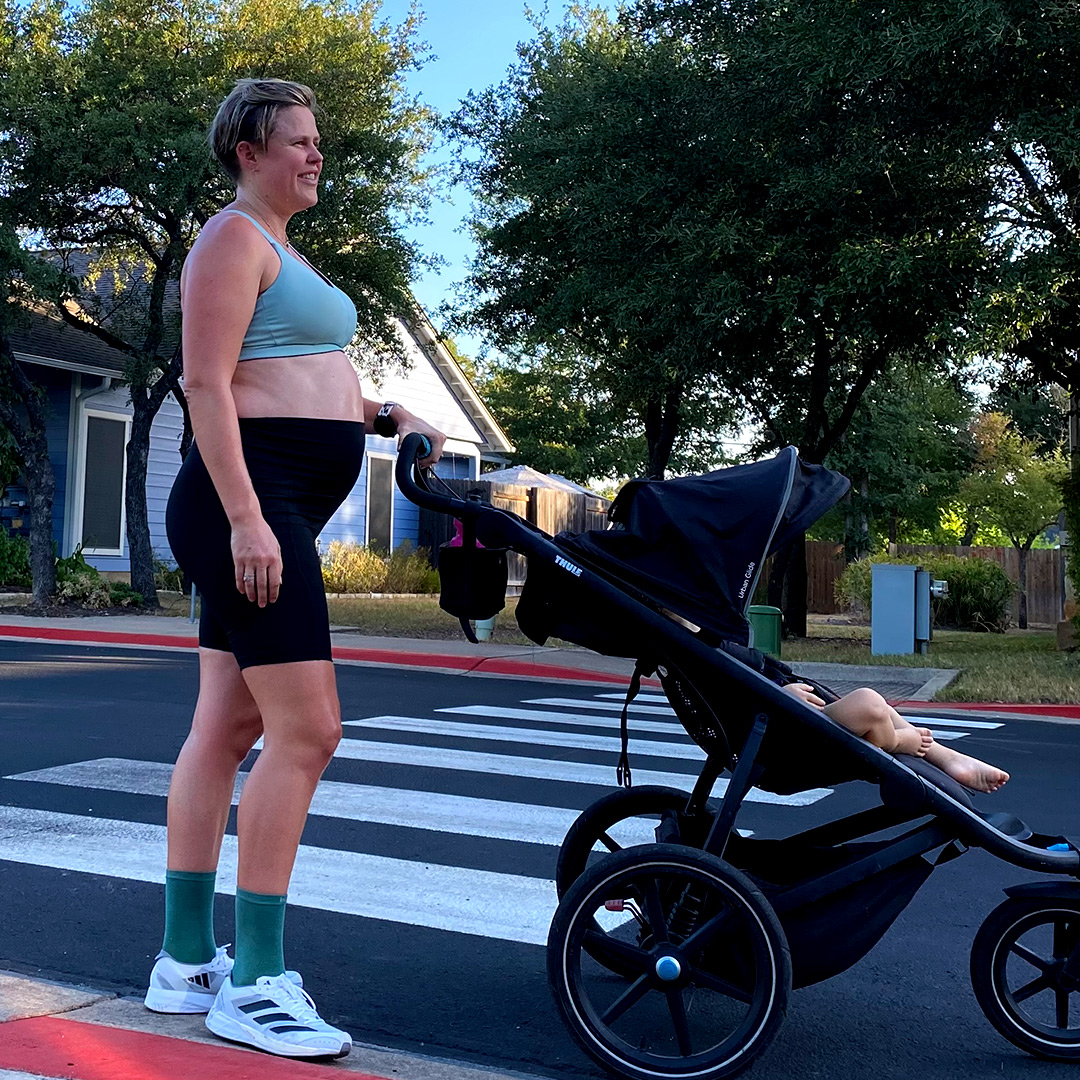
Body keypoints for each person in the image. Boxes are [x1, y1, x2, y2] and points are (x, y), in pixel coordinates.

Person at [145, 78, 446, 1060]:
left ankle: (187, 963)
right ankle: (259, 982)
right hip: (248, 501)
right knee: (309, 731)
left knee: (227, 724)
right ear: (249, 149)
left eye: (319, 142)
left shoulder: (277, 248)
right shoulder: (232, 239)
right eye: (301, 142)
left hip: (268, 498)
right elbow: (205, 381)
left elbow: (282, 373)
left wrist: (377, 413)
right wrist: (246, 518)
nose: (318, 156)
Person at [782, 682, 1010, 794]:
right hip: (780, 736)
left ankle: (949, 758)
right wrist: (781, 694)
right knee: (868, 702)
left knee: (877, 706)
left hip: (788, 712)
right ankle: (896, 742)